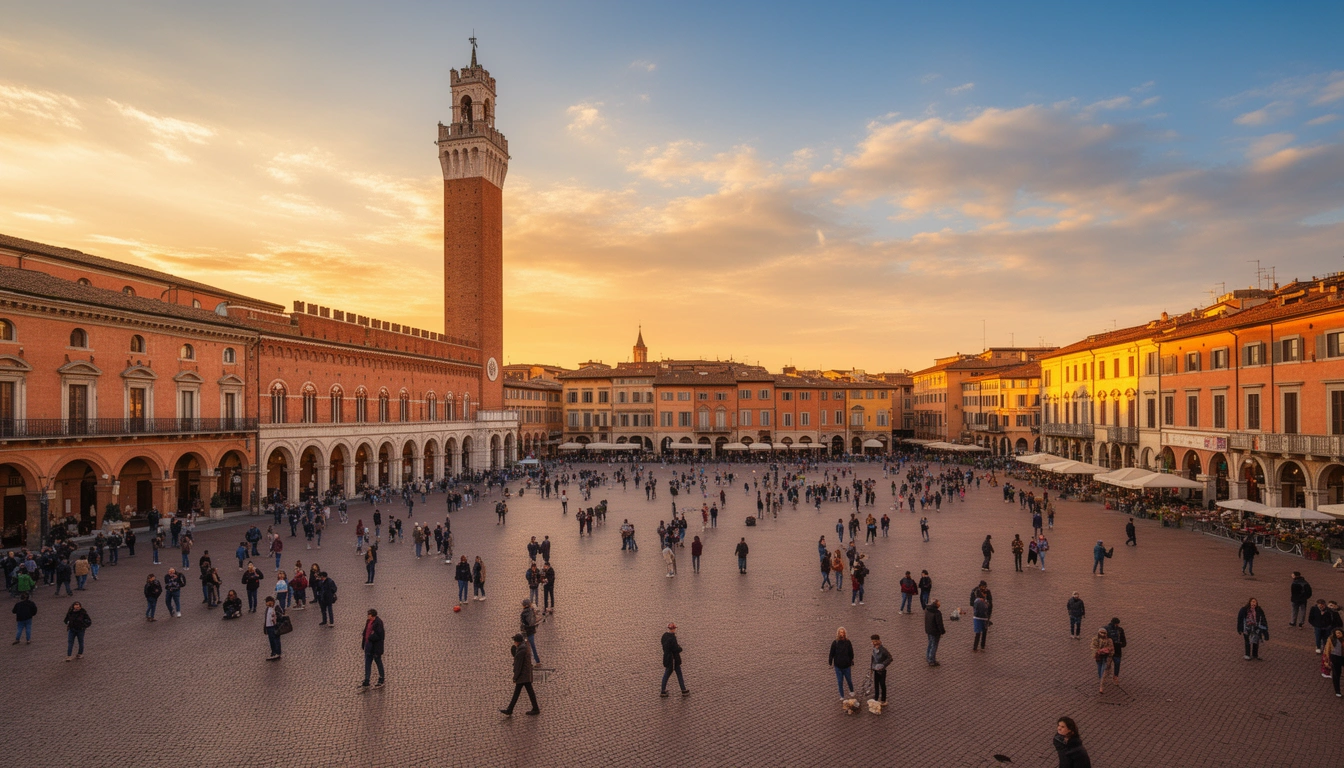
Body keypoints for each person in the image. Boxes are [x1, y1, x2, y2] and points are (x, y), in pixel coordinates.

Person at [500, 633, 540, 715]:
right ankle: (534, 708)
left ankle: (510, 709)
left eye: (515, 641)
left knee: (518, 693)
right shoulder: (524, 647)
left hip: (523, 675)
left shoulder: (521, 650)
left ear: (517, 641)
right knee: (527, 692)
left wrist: (515, 677)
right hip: (526, 674)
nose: (514, 642)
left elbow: (518, 665)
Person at [660, 622, 690, 697]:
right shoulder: (672, 638)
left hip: (667, 657)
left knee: (669, 674)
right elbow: (675, 649)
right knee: (674, 674)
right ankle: (682, 690)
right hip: (673, 659)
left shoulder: (664, 636)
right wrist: (680, 648)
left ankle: (682, 689)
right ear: (673, 629)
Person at [361, 608, 386, 688]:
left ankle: (381, 679)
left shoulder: (378, 623)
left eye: (369, 614)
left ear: (373, 615)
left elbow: (380, 636)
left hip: (375, 648)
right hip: (368, 646)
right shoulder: (368, 621)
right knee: (367, 664)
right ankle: (367, 680)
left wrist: (371, 637)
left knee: (378, 662)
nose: (368, 616)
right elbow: (366, 632)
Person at [828, 626, 855, 700]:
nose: (841, 634)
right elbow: (831, 653)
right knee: (840, 681)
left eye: (842, 632)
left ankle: (852, 691)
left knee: (849, 679)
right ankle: (842, 696)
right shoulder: (835, 643)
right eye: (840, 632)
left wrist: (851, 659)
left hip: (846, 665)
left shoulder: (848, 642)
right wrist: (830, 661)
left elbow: (851, 652)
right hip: (838, 665)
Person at [869, 634, 892, 704]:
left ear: (876, 641)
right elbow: (873, 658)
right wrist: (871, 668)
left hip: (882, 671)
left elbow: (890, 658)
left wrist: (883, 664)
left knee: (882, 684)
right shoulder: (874, 649)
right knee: (876, 684)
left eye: (873, 641)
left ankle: (883, 699)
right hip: (876, 670)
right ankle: (876, 698)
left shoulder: (883, 650)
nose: (872, 643)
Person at [1090, 628, 1114, 693]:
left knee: (1104, 669)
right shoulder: (1095, 639)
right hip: (1098, 657)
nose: (1103, 634)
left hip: (1106, 657)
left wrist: (1107, 650)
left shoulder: (1109, 640)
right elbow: (1093, 647)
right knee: (1099, 669)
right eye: (1101, 633)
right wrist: (1099, 651)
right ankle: (1101, 679)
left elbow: (1111, 648)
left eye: (1104, 633)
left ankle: (1101, 684)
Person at [1324, 628, 1344, 698]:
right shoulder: (1331, 639)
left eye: (1339, 633)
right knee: (1336, 674)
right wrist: (1327, 659)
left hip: (1343, 657)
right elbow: (1328, 648)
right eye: (1337, 633)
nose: (1338, 634)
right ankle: (1337, 691)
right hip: (1335, 657)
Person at [925, 599, 945, 666]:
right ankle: (931, 660)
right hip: (935, 632)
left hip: (929, 630)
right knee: (934, 645)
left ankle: (928, 657)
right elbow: (939, 623)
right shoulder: (937, 613)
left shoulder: (927, 610)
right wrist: (942, 631)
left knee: (930, 643)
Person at [520, 599, 540, 663]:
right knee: (532, 646)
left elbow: (523, 623)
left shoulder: (523, 613)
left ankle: (528, 661)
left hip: (526, 632)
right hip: (531, 631)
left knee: (526, 647)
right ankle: (537, 661)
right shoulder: (531, 610)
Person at [263, 595, 283, 660]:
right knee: (272, 640)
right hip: (269, 627)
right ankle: (274, 652)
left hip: (272, 626)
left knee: (274, 640)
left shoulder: (273, 609)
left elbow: (273, 618)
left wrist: (274, 624)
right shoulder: (268, 609)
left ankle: (276, 652)